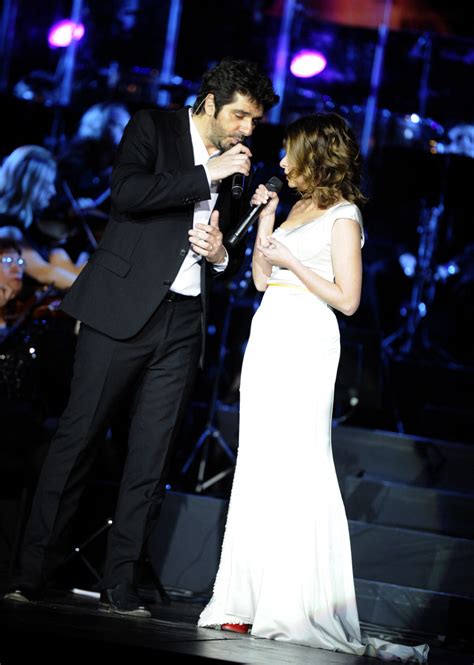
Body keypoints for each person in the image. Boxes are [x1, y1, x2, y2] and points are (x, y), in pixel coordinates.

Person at [4, 57, 279, 617]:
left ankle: (121, 586)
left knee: (151, 456)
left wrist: (223, 256)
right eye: (241, 116)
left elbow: (220, 238)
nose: (248, 129)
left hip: (182, 318)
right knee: (78, 440)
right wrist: (209, 173)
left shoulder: (238, 163)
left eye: (254, 120)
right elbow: (126, 195)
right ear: (209, 101)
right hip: (120, 311)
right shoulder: (151, 127)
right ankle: (30, 574)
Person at [197, 113, 429, 662]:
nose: (279, 162)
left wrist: (294, 261)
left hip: (308, 338)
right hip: (270, 330)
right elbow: (258, 277)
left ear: (315, 157)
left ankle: (293, 604)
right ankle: (244, 599)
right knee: (258, 462)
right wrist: (266, 220)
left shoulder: (344, 216)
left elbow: (347, 299)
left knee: (299, 463)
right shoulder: (293, 206)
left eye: (288, 154)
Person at [0, 145, 85, 293]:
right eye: (46, 185)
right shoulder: (8, 231)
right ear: (30, 186)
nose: (52, 192)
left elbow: (61, 268)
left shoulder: (28, 227)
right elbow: (44, 273)